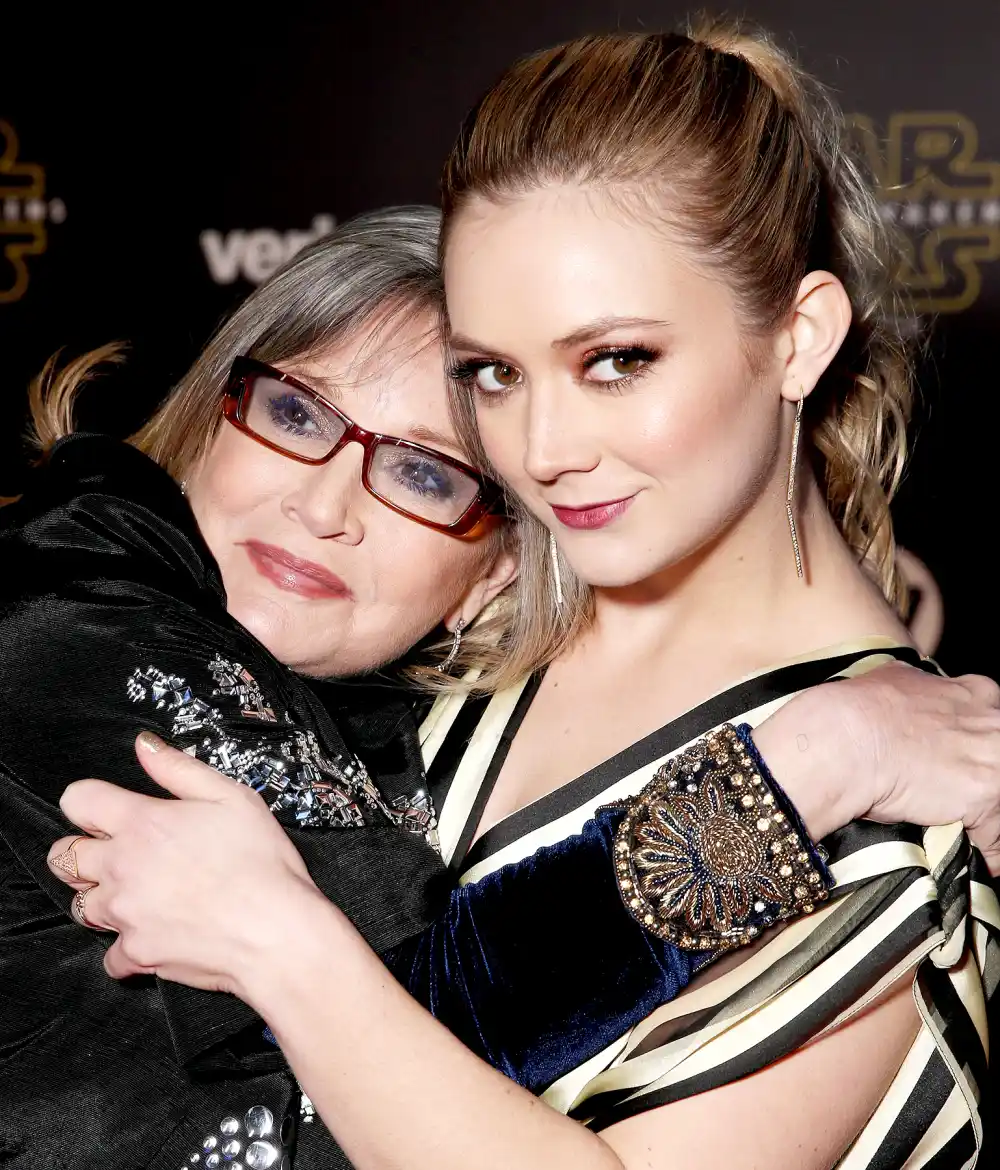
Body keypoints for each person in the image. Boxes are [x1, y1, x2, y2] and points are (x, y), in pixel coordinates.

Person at [43, 21, 1000, 1170]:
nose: (542, 449)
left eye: (616, 361)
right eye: (495, 373)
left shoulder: (890, 847)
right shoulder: (465, 605)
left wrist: (281, 945)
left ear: (797, 340)